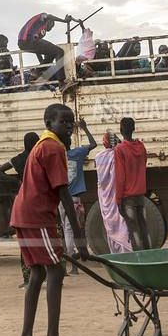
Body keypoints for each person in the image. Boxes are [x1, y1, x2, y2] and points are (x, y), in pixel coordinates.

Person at [11, 103, 89, 336]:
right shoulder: (53, 147)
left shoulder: (43, 145)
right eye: (63, 121)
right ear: (48, 123)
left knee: (37, 275)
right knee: (55, 270)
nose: (68, 126)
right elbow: (64, 193)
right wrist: (79, 240)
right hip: (37, 216)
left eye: (71, 122)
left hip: (24, 214)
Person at [0, 131, 41, 288]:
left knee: (25, 241)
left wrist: (16, 181)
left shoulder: (19, 159)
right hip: (39, 200)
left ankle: (27, 279)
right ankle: (46, 275)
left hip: (23, 200)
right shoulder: (39, 157)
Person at [60, 118, 97, 275]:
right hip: (75, 199)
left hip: (61, 200)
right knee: (73, 231)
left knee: (66, 230)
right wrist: (85, 128)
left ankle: (70, 264)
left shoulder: (58, 156)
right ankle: (73, 264)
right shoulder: (78, 153)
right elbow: (93, 144)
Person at [114, 117, 150, 251]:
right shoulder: (141, 147)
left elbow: (120, 177)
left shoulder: (119, 149)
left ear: (121, 129)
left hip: (127, 196)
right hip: (140, 194)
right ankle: (150, 257)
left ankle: (140, 259)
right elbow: (143, 164)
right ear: (134, 129)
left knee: (134, 230)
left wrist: (118, 199)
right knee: (144, 228)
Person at [94, 130, 132, 253]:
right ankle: (125, 250)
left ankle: (114, 252)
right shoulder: (117, 155)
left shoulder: (98, 157)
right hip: (116, 192)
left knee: (109, 224)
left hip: (104, 196)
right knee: (120, 222)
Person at [17, 12, 76, 82]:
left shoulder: (41, 32)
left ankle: (36, 72)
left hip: (24, 43)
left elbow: (37, 49)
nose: (51, 29)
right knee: (59, 52)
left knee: (52, 53)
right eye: (52, 26)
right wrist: (64, 21)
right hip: (26, 39)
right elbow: (50, 16)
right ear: (49, 22)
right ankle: (62, 82)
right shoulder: (42, 18)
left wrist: (42, 64)